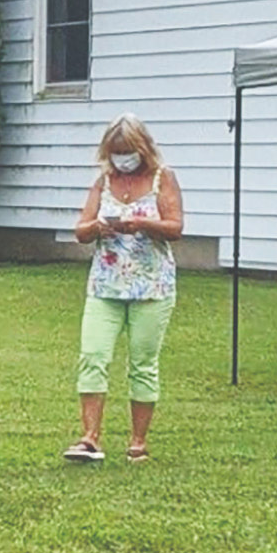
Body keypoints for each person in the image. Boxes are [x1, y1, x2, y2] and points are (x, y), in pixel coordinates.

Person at [64, 118, 183, 461]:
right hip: (105, 285)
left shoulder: (163, 178)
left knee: (143, 362)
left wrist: (142, 224)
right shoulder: (103, 182)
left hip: (152, 286)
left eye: (128, 153)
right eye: (116, 154)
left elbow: (175, 227)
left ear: (142, 149)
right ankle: (90, 436)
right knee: (93, 356)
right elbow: (80, 230)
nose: (122, 160)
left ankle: (138, 440)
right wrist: (98, 227)